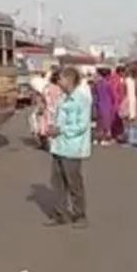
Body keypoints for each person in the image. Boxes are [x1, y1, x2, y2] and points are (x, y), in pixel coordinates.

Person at [48, 67, 92, 228]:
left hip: (73, 148)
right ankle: (61, 214)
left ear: (69, 79)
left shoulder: (81, 99)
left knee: (74, 184)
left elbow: (82, 125)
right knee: (57, 183)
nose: (58, 83)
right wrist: (52, 128)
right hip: (58, 146)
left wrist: (61, 130)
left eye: (60, 79)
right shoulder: (62, 99)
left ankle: (80, 215)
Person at [92, 67, 117, 146]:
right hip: (107, 105)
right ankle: (105, 139)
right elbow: (113, 95)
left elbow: (94, 94)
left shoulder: (96, 84)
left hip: (99, 105)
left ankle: (97, 139)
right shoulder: (108, 84)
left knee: (99, 124)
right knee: (106, 124)